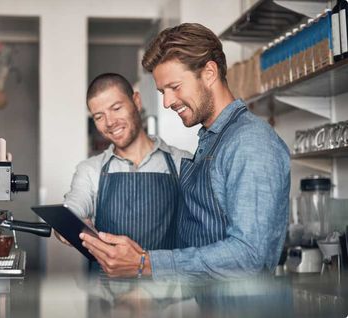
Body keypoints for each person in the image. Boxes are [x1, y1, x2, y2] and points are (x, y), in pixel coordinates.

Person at [80, 23, 290, 281]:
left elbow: (249, 257)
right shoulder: (211, 141)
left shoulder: (251, 142)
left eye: (175, 87)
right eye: (162, 92)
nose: (167, 102)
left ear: (209, 73)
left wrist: (147, 263)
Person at [58, 73, 191, 262]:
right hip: (106, 289)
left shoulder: (182, 162)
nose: (110, 122)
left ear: (136, 101)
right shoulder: (90, 170)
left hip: (165, 289)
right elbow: (72, 209)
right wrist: (68, 226)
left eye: (116, 108)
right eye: (99, 116)